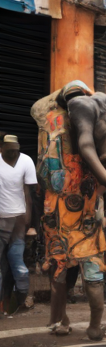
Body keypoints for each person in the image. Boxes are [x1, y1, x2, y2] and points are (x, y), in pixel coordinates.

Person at [0, 134, 37, 314]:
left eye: (16, 149)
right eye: (9, 149)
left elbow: (29, 194)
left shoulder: (26, 161)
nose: (13, 152)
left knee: (18, 267)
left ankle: (20, 301)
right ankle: (3, 307)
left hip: (18, 222)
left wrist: (30, 223)